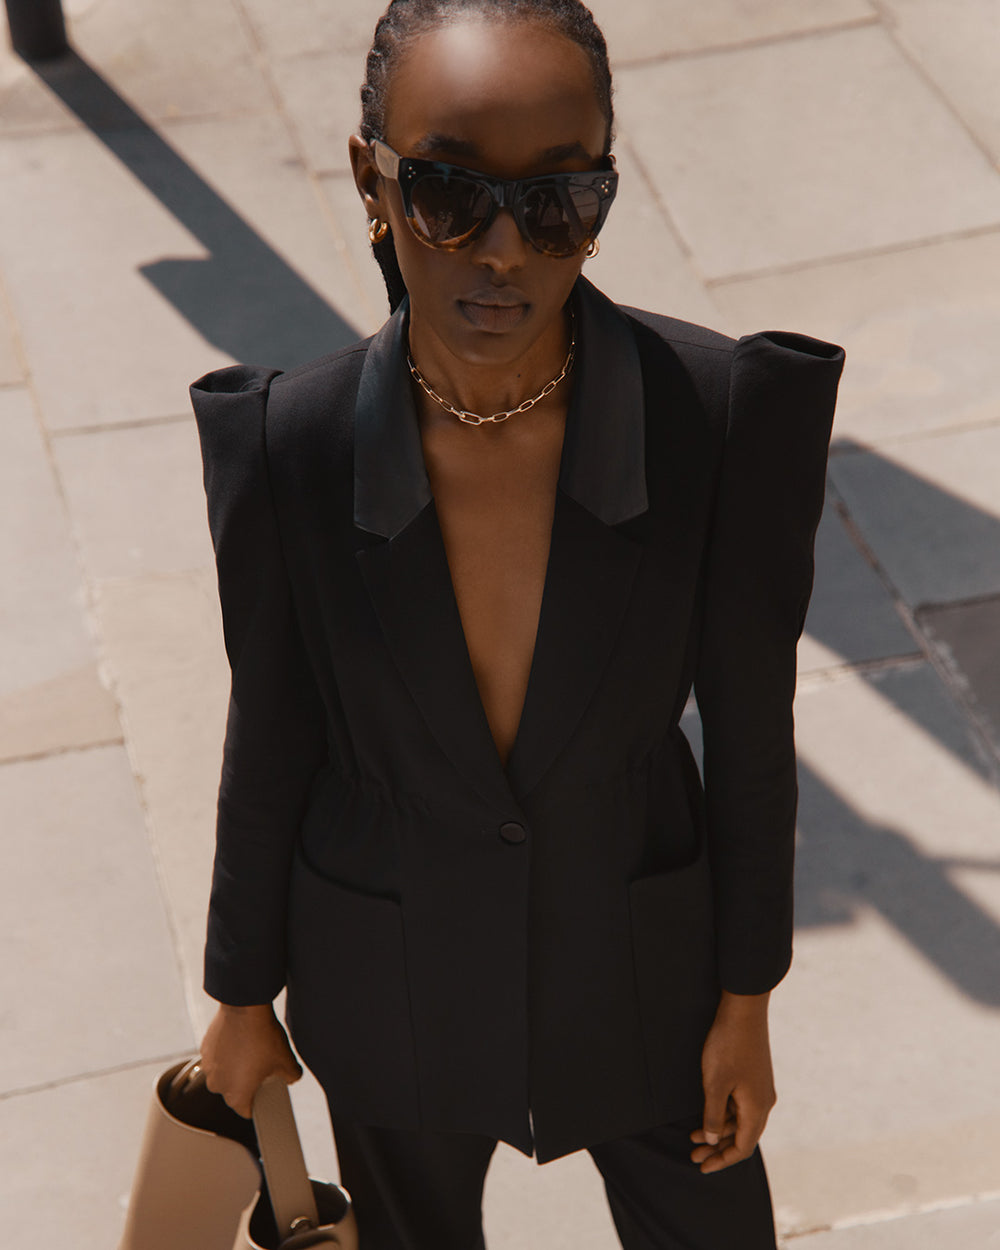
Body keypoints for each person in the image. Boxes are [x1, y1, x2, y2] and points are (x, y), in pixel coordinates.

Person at [193, 2, 845, 1247]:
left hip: (644, 972)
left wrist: (747, 995)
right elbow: (269, 726)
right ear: (368, 181)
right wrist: (239, 993)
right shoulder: (290, 446)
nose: (502, 251)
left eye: (557, 204)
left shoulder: (717, 418)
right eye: (447, 193)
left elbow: (754, 734)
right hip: (385, 981)